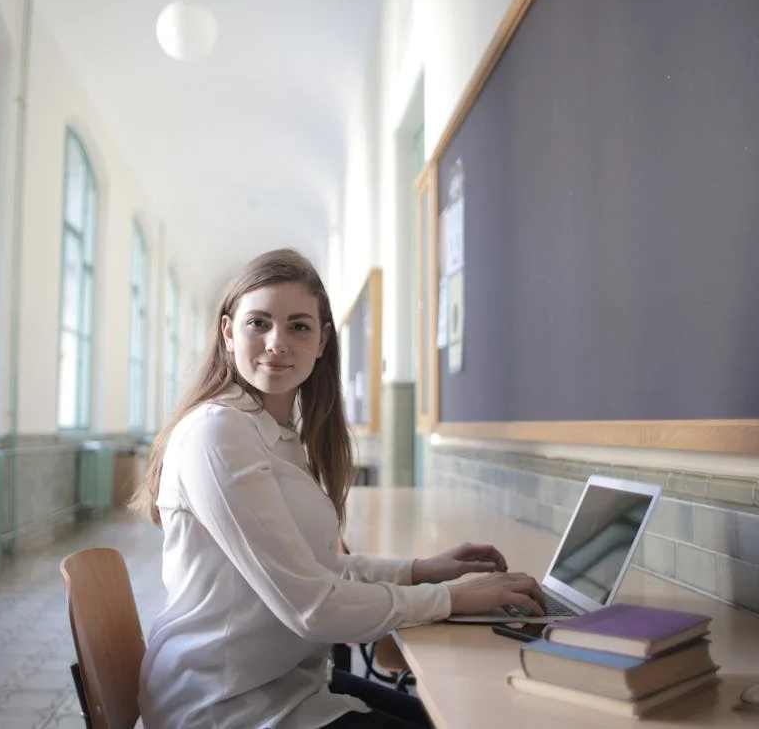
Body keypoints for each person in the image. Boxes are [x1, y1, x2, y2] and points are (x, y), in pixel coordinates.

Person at [133, 248, 546, 728]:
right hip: (224, 706)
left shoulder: (278, 435)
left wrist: (420, 570)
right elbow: (311, 608)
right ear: (228, 331)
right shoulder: (218, 433)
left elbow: (312, 570)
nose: (277, 342)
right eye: (258, 323)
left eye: (298, 326)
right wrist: (455, 598)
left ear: (322, 340)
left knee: (454, 715)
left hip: (283, 684)